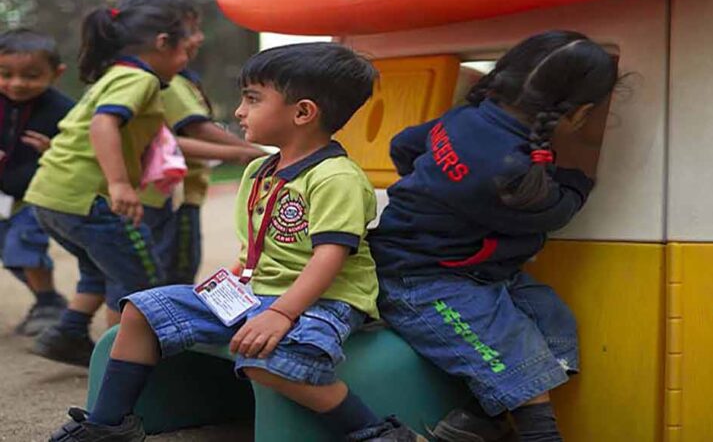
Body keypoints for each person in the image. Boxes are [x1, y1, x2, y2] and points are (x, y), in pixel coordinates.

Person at [48, 43, 425, 442]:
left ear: (302, 112)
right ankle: (107, 424)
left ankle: (372, 430)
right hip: (257, 293)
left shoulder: (336, 178)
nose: (240, 111)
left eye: (253, 99)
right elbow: (256, 250)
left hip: (324, 299)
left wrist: (280, 313)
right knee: (141, 311)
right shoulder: (259, 171)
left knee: (267, 360)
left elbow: (328, 258)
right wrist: (228, 282)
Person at [369, 31, 617, 442]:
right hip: (420, 281)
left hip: (480, 273)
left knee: (553, 323)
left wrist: (437, 183)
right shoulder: (508, 169)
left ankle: (474, 423)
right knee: (517, 358)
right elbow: (556, 211)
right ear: (579, 114)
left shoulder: (465, 118)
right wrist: (576, 181)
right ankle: (539, 433)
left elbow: (404, 145)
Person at [25, 0, 191, 367]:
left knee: (101, 269)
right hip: (91, 197)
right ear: (163, 43)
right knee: (140, 280)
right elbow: (104, 124)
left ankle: (68, 334)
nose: (186, 60)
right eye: (185, 49)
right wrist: (119, 184)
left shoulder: (116, 74)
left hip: (52, 195)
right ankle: (123, 365)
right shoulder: (139, 78)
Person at [121, 0, 262, 285]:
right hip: (171, 193)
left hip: (165, 193)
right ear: (161, 40)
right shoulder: (165, 82)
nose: (199, 38)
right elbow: (193, 130)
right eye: (190, 30)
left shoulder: (150, 78)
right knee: (174, 272)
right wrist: (252, 153)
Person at [0, 29, 74, 336]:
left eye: (30, 76)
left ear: (57, 73)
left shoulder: (63, 110)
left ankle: (46, 303)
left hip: (39, 194)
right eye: (5, 74)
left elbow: (80, 149)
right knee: (10, 255)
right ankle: (49, 300)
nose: (17, 83)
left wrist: (53, 150)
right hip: (4, 196)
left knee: (24, 244)